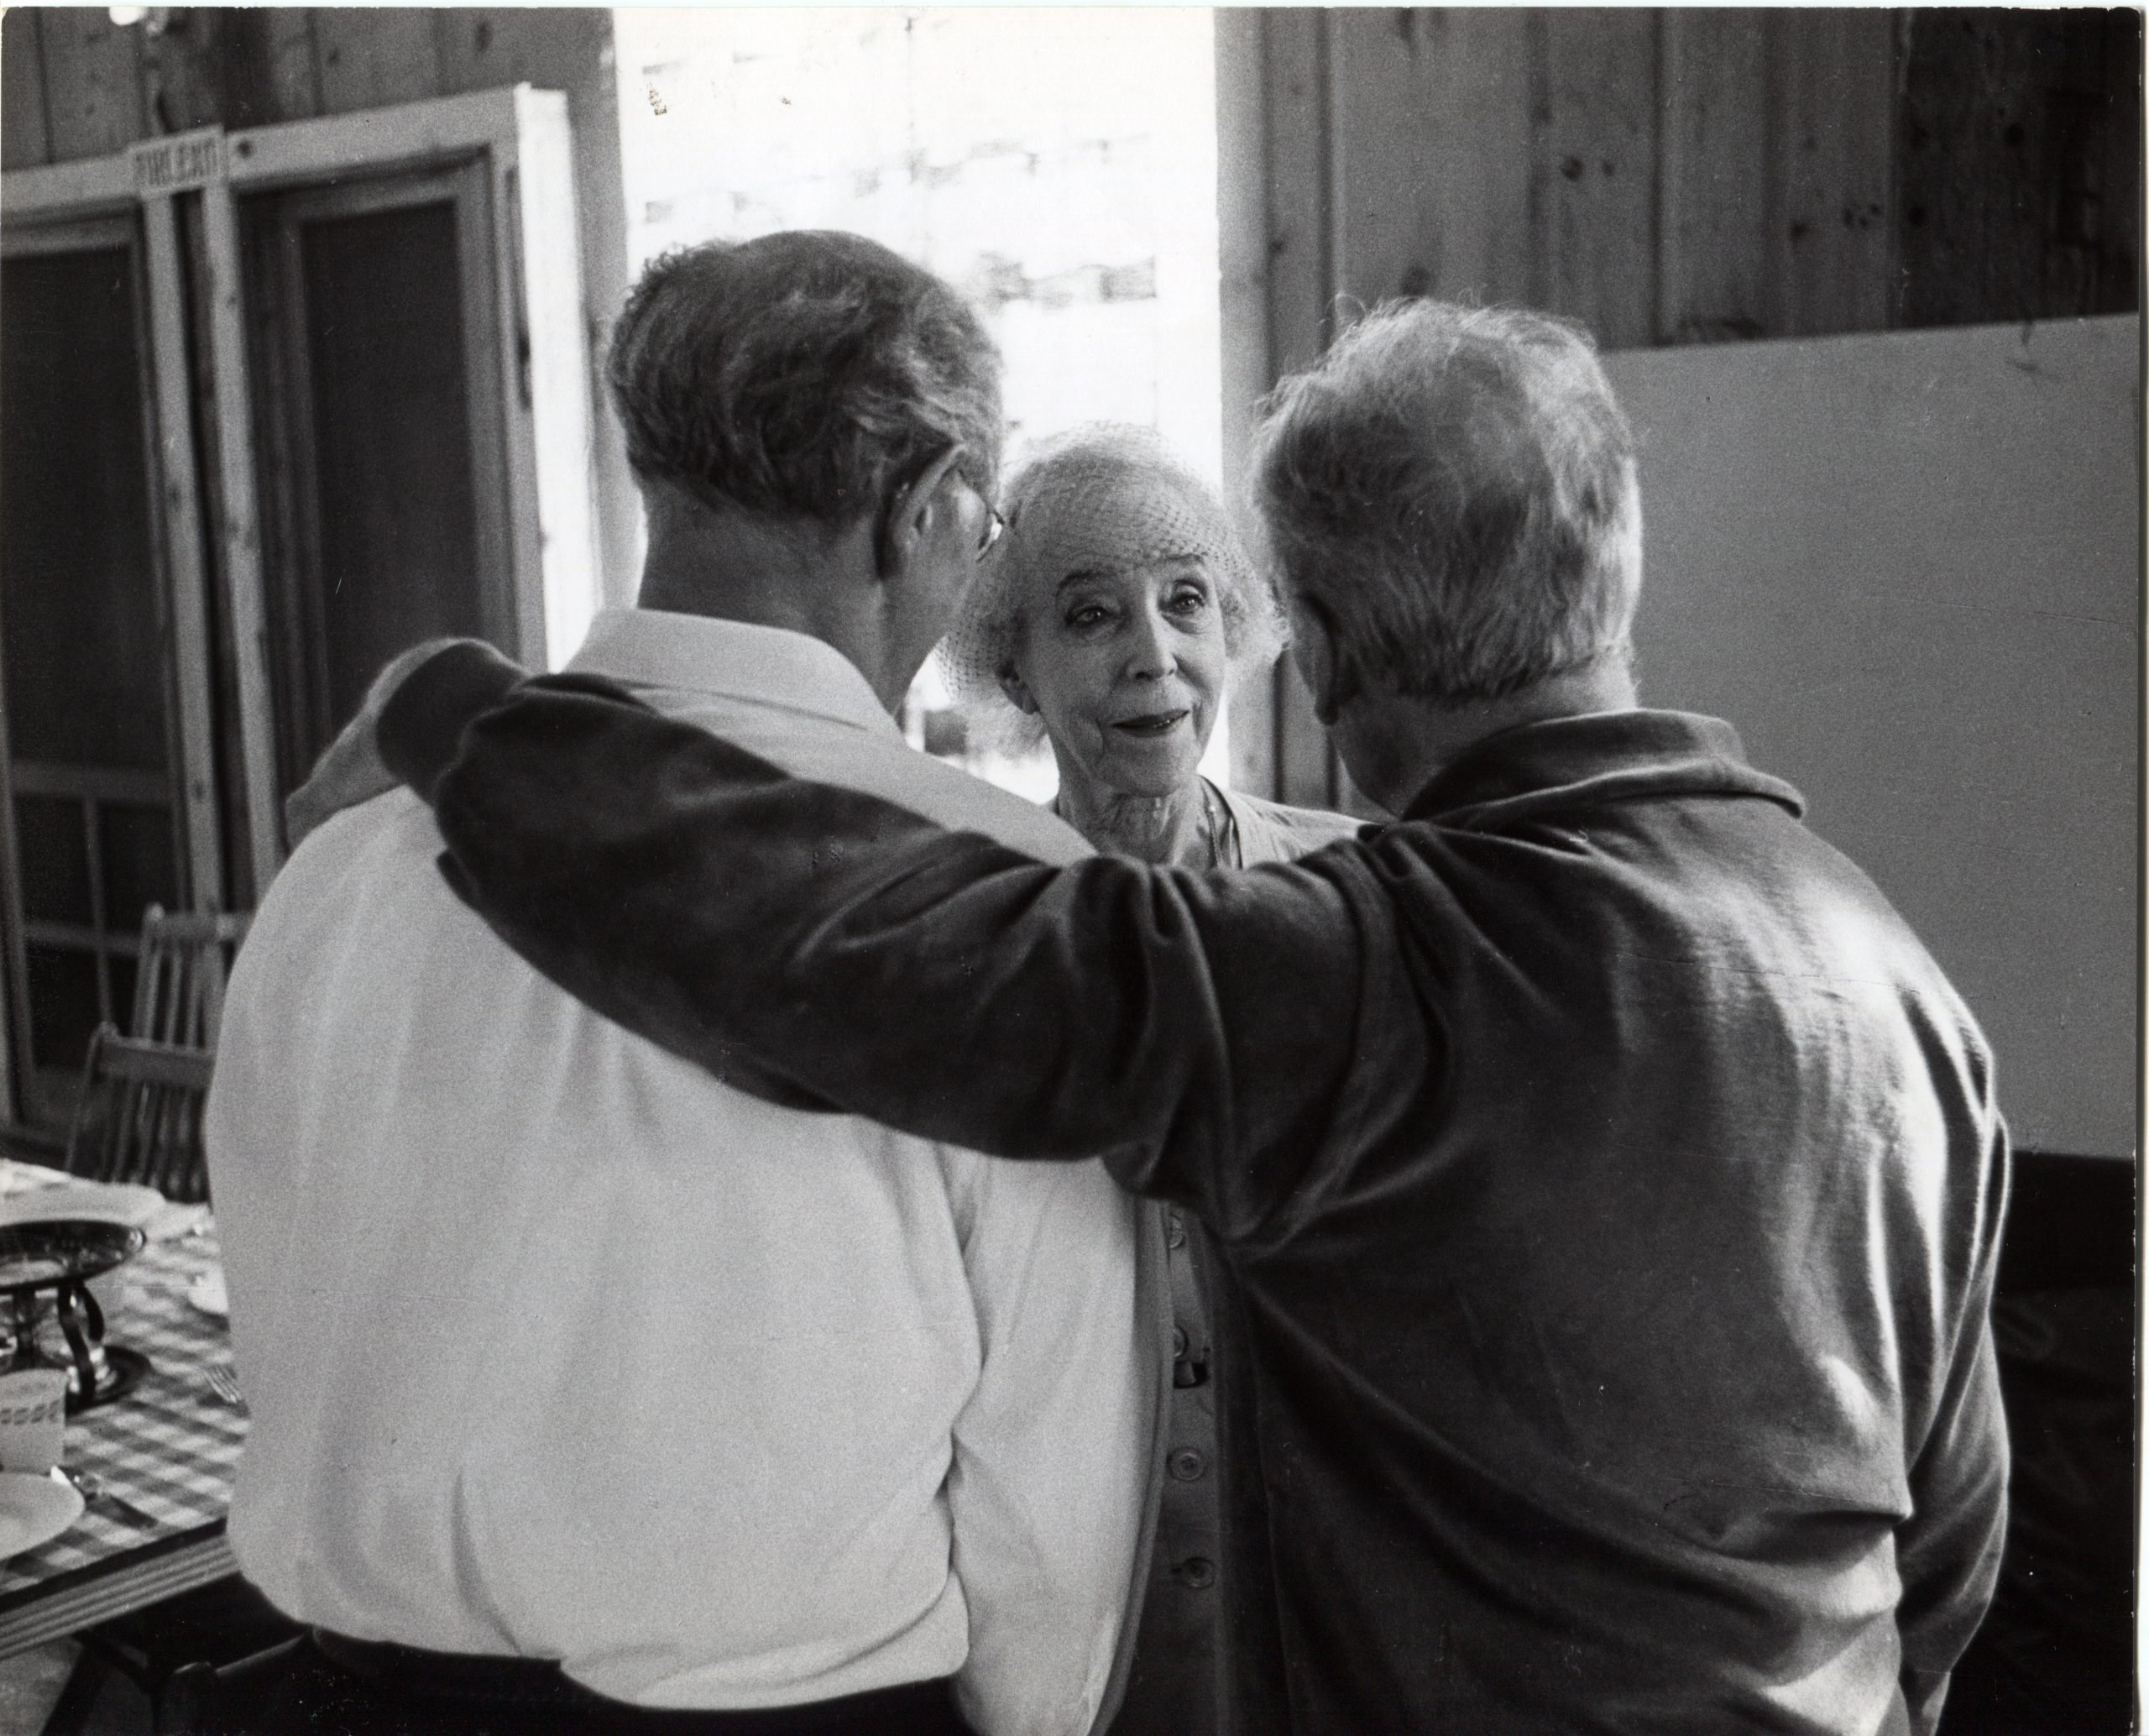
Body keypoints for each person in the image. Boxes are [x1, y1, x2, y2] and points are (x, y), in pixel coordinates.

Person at [360, 301, 2010, 1735]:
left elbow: (815, 931)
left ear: (1325, 648)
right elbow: (1951, 1550)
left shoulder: (1359, 971)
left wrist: (442, 704)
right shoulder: (1897, 981)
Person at [204, 232, 1170, 1736]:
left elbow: (271, 1294)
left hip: (331, 1696)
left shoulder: (347, 862)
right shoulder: (990, 895)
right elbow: (1049, 1496)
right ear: (920, 511)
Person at [938, 423, 1357, 1733]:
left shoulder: (1360, 898)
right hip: (1064, 1609)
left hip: (1322, 1584)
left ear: (1238, 625)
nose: (1151, 653)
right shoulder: (972, 935)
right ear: (1015, 663)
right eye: (1090, 614)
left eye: (1187, 602)